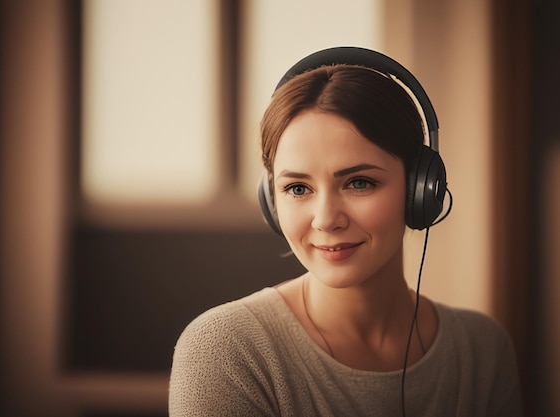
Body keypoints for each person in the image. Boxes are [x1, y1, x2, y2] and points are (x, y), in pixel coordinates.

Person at [168, 47, 522, 417]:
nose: (326, 219)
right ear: (271, 200)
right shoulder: (225, 349)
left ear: (420, 188)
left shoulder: (482, 349)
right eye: (298, 188)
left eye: (359, 182)